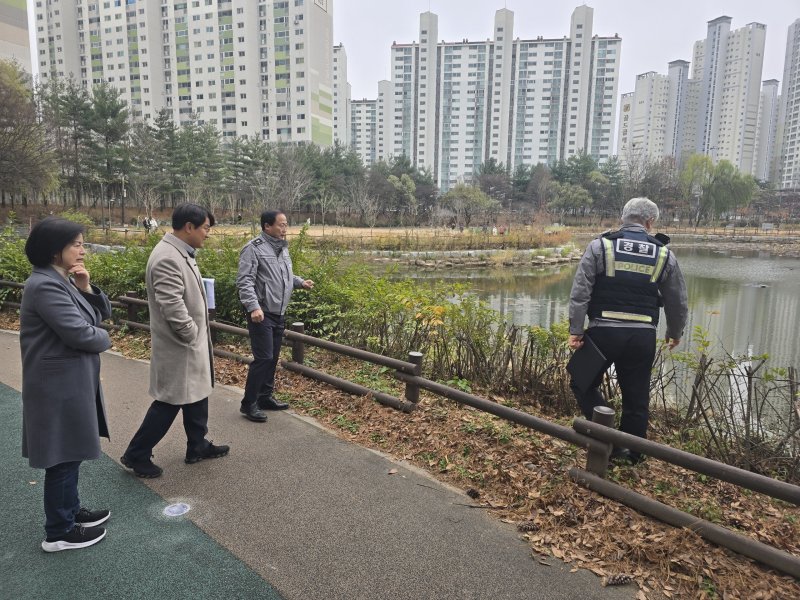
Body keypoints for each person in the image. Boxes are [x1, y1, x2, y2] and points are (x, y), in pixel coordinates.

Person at [568, 197, 688, 464]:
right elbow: (677, 300)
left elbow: (580, 292)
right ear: (650, 222)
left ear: (623, 217)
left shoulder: (601, 246)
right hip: (641, 335)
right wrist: (675, 331)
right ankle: (631, 454)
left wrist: (576, 329)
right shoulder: (664, 254)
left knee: (581, 380)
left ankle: (606, 431)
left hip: (603, 332)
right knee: (636, 396)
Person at [20, 217, 113, 552]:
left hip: (65, 382)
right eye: (76, 243)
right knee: (62, 455)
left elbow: (97, 315)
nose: (82, 249)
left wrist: (86, 287)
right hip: (56, 386)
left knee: (69, 452)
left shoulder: (60, 280)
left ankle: (71, 511)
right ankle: (58, 531)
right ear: (54, 250)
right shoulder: (45, 285)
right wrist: (106, 339)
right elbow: (82, 333)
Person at [121, 204, 229, 477]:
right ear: (189, 227)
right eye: (205, 228)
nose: (207, 234)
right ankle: (136, 454)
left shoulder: (180, 252)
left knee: (197, 393)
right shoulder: (168, 257)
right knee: (169, 401)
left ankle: (197, 445)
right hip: (179, 345)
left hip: (188, 344)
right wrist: (192, 334)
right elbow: (172, 305)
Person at [236, 210, 314, 422]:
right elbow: (244, 281)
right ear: (267, 226)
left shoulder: (282, 248)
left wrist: (300, 283)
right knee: (263, 358)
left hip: (278, 312)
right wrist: (253, 307)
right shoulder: (253, 249)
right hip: (261, 312)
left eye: (286, 224)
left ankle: (264, 397)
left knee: (272, 358)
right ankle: (248, 403)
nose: (285, 228)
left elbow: (284, 275)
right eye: (281, 225)